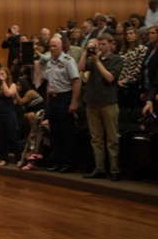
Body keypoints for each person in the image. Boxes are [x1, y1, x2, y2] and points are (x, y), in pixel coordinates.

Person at [79, 34, 123, 181]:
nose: (101, 47)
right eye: (99, 44)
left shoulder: (116, 59)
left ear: (111, 44)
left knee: (112, 139)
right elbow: (80, 67)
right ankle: (100, 168)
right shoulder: (94, 58)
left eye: (103, 44)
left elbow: (110, 78)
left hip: (109, 103)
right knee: (96, 138)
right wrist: (86, 52)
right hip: (92, 102)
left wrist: (97, 62)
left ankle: (115, 170)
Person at [35, 35, 81, 174]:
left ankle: (67, 163)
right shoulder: (49, 63)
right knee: (54, 132)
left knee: (66, 132)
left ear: (61, 46)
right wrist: (48, 105)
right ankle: (58, 161)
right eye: (50, 46)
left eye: (55, 46)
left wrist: (74, 101)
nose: (52, 48)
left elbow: (76, 81)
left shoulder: (68, 61)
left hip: (65, 97)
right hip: (53, 100)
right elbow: (49, 85)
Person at [0, 67, 23, 166]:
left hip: (8, 114)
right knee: (2, 137)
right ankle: (4, 159)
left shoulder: (12, 85)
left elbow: (8, 94)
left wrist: (3, 82)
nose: (1, 76)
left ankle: (19, 158)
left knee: (12, 136)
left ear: (7, 75)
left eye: (3, 74)